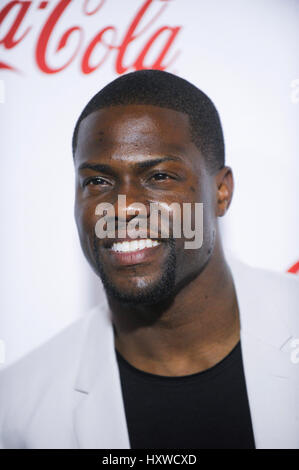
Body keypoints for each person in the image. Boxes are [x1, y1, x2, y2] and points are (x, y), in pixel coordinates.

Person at [0, 70, 298, 449]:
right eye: (98, 182)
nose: (123, 209)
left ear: (221, 192)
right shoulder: (17, 412)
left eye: (159, 176)